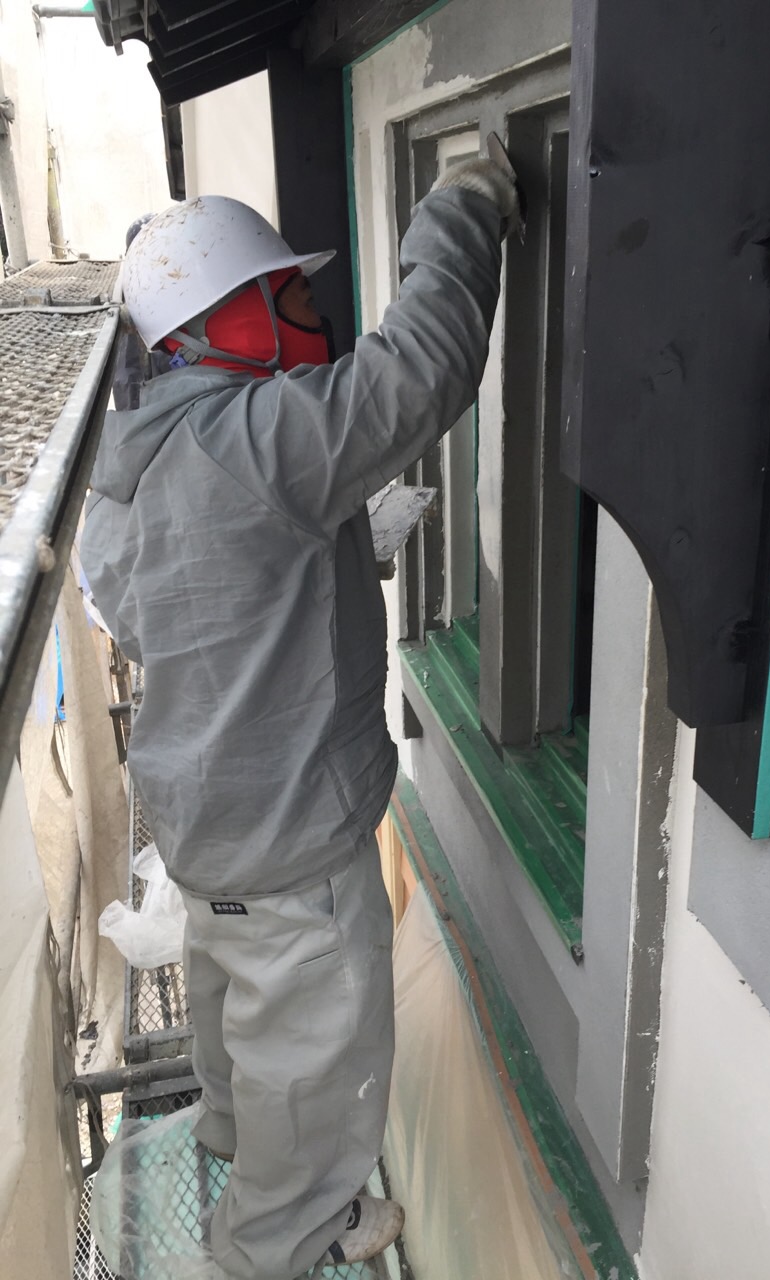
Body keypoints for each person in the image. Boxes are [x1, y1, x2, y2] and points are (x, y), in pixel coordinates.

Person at [80, 155, 518, 1280]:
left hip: (206, 833)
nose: (313, 315)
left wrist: (318, 554)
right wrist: (464, 206)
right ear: (233, 317)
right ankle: (275, 1241)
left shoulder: (121, 476)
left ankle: (235, 1141)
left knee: (240, 1021)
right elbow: (423, 371)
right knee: (317, 1079)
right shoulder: (264, 440)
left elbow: (187, 595)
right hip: (296, 854)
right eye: (292, 294)